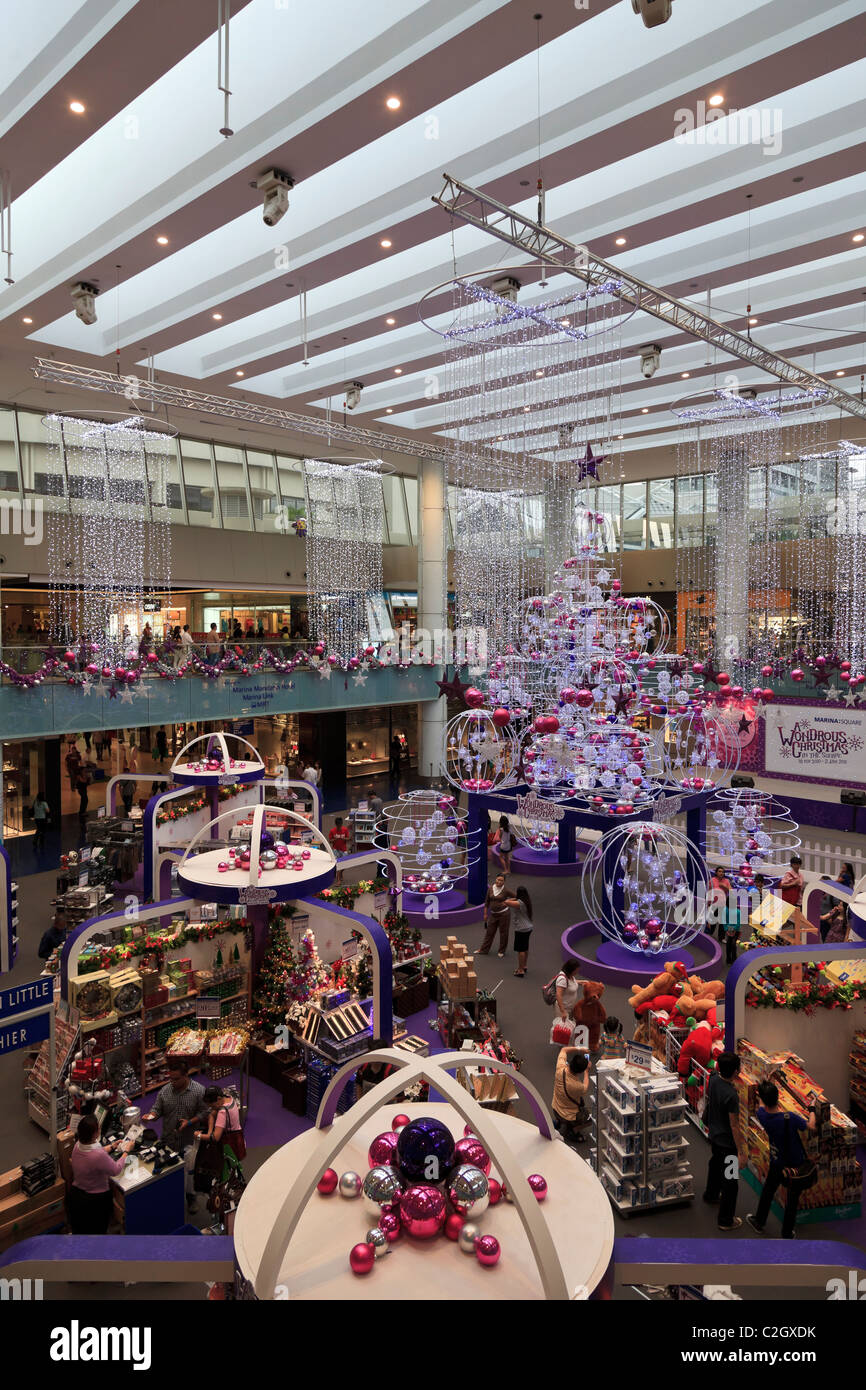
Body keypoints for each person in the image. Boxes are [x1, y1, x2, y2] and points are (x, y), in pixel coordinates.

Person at [747, 1081, 818, 1238]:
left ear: (763, 1100)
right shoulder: (790, 1117)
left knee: (768, 1191)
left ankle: (759, 1222)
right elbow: (811, 1126)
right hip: (796, 1164)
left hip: (777, 1163)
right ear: (778, 1097)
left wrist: (760, 1095)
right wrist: (812, 1108)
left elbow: (760, 1105)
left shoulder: (763, 1116)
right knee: (792, 1200)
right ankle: (787, 1233)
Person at [67, 1113, 135, 1234]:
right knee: (98, 1231)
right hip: (95, 1202)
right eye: (98, 1128)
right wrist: (126, 1151)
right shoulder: (98, 1156)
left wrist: (112, 1147)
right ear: (94, 1134)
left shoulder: (78, 1145)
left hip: (77, 1196)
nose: (99, 1129)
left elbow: (95, 1152)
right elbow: (115, 1170)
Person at [702, 1052, 745, 1231]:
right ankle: (726, 1220)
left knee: (715, 1164)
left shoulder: (713, 1079)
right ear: (736, 1071)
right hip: (728, 1143)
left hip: (714, 1135)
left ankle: (711, 1194)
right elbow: (734, 1125)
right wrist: (741, 1151)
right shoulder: (732, 1095)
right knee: (731, 1181)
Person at [143, 1060, 209, 1155]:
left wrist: (189, 1122)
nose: (173, 1082)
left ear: (186, 1075)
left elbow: (205, 1112)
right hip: (168, 1140)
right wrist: (150, 1116)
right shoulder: (164, 1091)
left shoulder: (199, 1091)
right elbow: (157, 1109)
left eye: (176, 1079)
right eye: (171, 1079)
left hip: (188, 1142)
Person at [196, 1086, 246, 1172]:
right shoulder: (229, 1098)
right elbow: (211, 1114)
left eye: (213, 1105)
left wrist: (199, 1136)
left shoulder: (222, 1112)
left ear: (218, 1099)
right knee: (235, 1164)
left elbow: (215, 1137)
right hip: (238, 1138)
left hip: (229, 1144)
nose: (212, 1108)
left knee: (228, 1169)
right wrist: (209, 1133)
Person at [551, 1047, 591, 1145]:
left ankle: (559, 1122)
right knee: (591, 1118)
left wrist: (580, 1049)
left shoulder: (560, 1068)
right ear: (580, 1072)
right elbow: (585, 1086)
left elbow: (564, 1050)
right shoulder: (577, 1086)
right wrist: (587, 1072)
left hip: (555, 1109)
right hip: (568, 1116)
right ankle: (573, 1131)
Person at [478, 873, 511, 957]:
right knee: (489, 932)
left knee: (503, 933)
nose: (499, 881)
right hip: (493, 914)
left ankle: (501, 951)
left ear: (504, 882)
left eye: (501, 880)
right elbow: (487, 902)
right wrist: (485, 914)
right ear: (495, 879)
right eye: (498, 879)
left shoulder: (506, 890)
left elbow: (517, 897)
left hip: (504, 914)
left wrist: (507, 902)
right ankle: (484, 950)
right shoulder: (491, 889)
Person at [504, 885, 533, 977]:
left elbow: (506, 902)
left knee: (520, 950)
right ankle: (524, 965)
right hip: (528, 927)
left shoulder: (519, 903)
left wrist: (515, 897)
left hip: (521, 928)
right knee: (525, 948)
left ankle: (520, 970)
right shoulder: (527, 901)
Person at [554, 959, 582, 1023]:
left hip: (570, 1007)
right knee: (561, 1029)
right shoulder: (562, 979)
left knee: (569, 1027)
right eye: (576, 970)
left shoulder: (570, 976)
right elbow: (558, 995)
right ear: (571, 969)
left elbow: (569, 983)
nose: (577, 971)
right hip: (564, 1008)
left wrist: (581, 982)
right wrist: (563, 1011)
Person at [708, 866, 732, 940]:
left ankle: (721, 938)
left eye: (722, 872)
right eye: (719, 871)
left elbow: (732, 892)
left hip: (723, 904)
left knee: (722, 922)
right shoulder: (712, 880)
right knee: (712, 921)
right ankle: (709, 935)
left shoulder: (726, 881)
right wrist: (708, 904)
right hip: (714, 904)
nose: (721, 873)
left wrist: (725, 887)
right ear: (716, 872)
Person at [723, 897, 742, 966]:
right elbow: (738, 923)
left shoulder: (725, 910)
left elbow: (724, 921)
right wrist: (733, 930)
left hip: (731, 930)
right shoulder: (737, 911)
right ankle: (731, 959)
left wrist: (727, 930)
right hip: (734, 930)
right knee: (732, 945)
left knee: (730, 944)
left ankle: (730, 959)